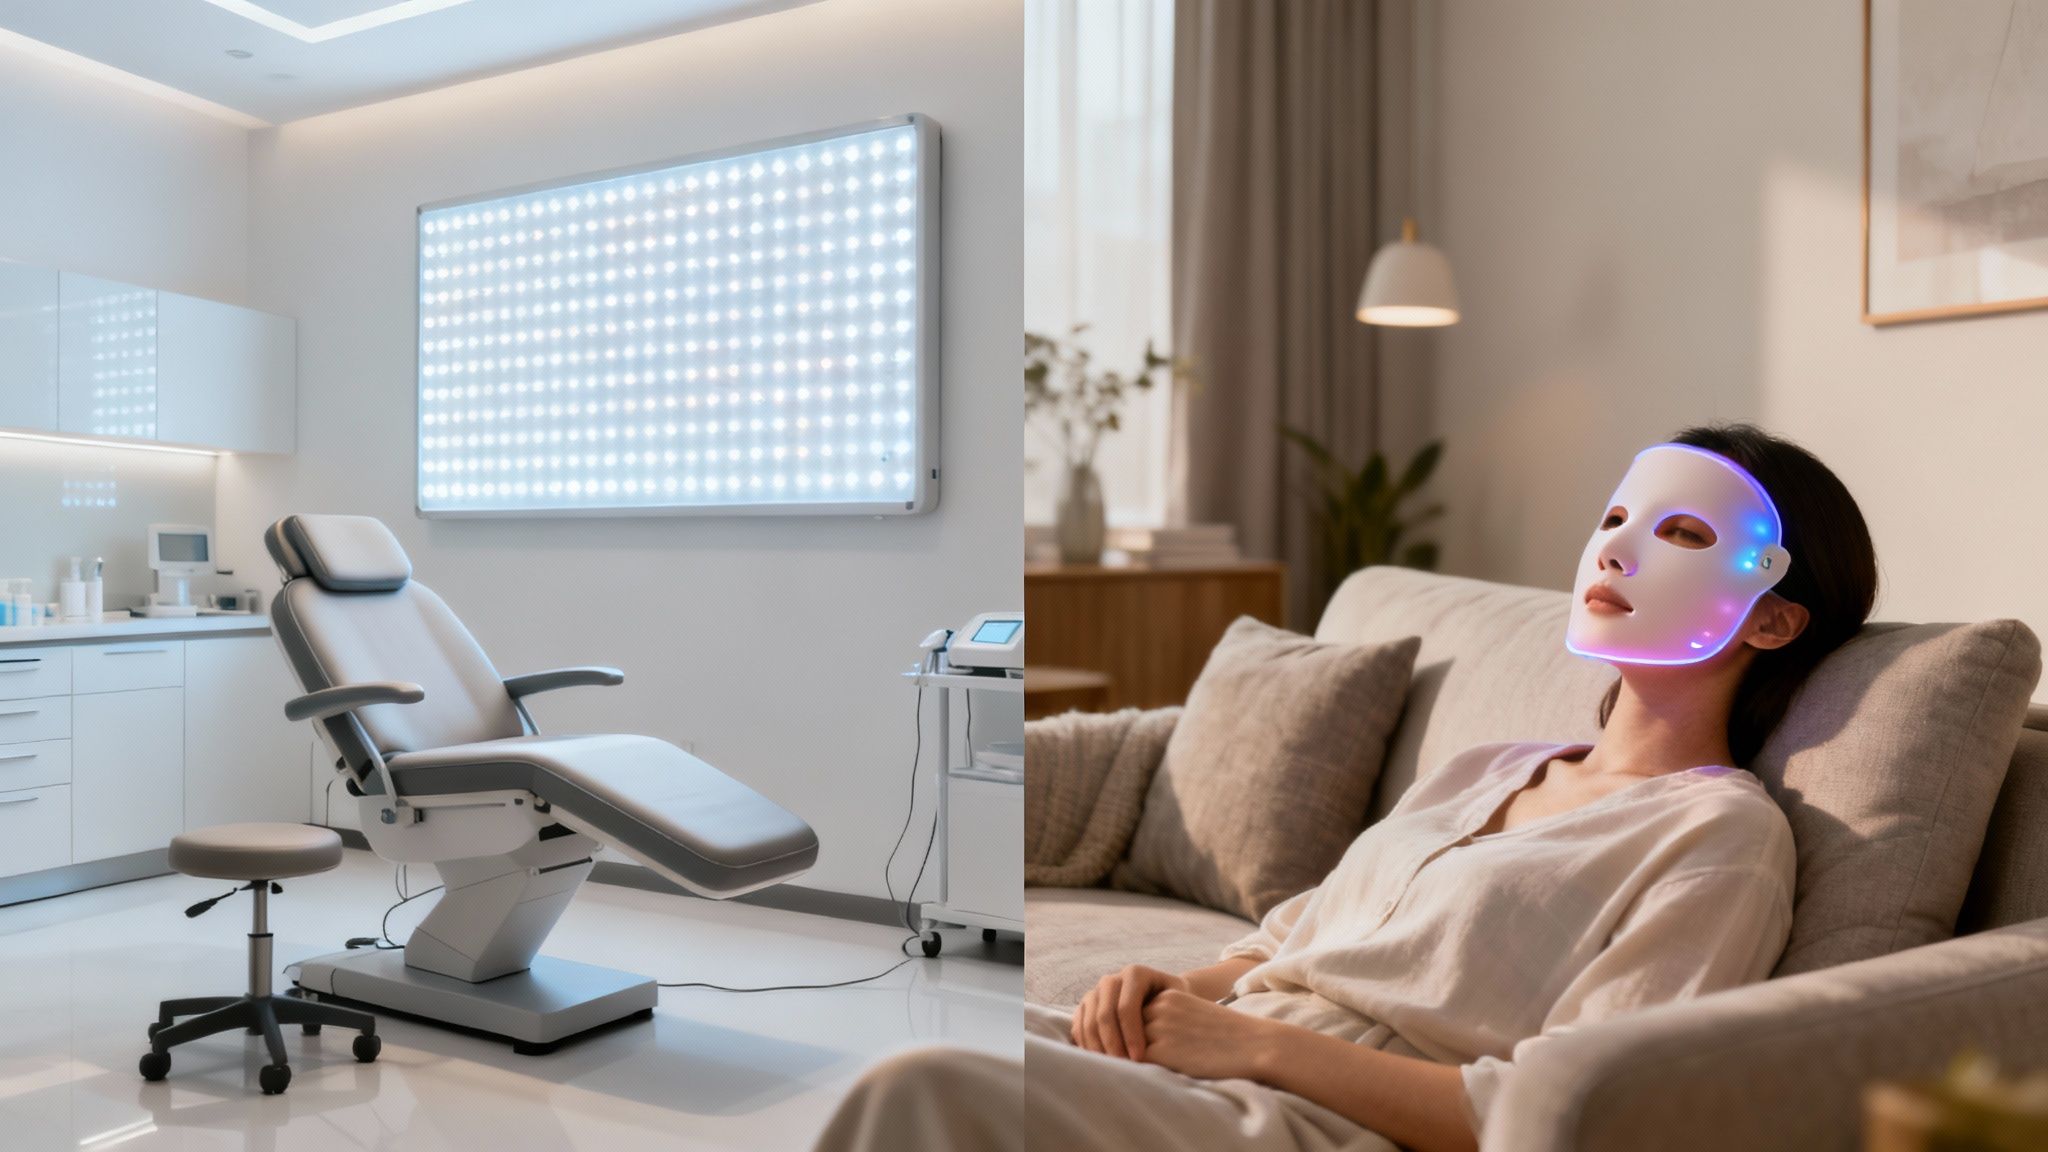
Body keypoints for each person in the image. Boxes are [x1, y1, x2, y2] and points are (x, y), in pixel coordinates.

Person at [811, 423, 1878, 1152]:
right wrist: (1175, 987)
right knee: (897, 1051)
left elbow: (1567, 1111)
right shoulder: (1487, 769)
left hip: (1316, 1122)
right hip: (1214, 1058)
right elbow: (1287, 938)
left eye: (1682, 534)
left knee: (921, 1091)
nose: (1616, 550)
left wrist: (1255, 1044)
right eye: (1612, 520)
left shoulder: (1718, 840)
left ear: (1774, 617)